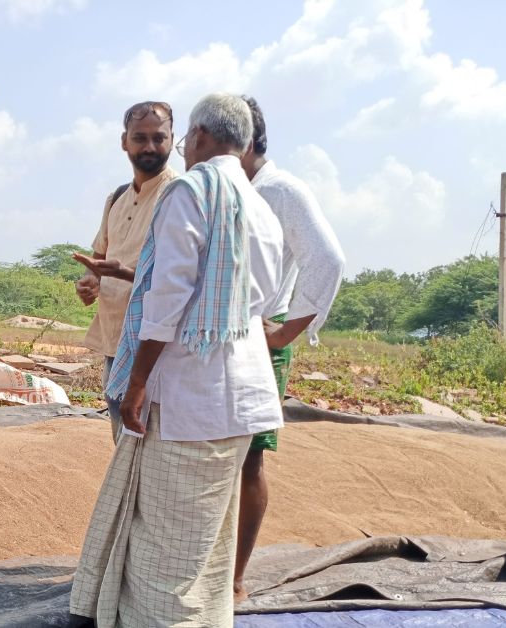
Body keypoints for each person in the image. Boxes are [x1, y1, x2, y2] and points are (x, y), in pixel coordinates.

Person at [68, 93, 285, 627]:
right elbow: (269, 297)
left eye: (178, 138)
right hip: (242, 394)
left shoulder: (191, 191)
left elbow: (168, 297)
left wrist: (137, 381)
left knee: (166, 549)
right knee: (206, 544)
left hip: (190, 395)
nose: (175, 149)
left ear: (202, 138)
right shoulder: (255, 204)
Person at [233, 96, 346, 602]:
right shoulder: (229, 188)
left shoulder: (281, 191)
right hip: (220, 341)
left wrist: (281, 333)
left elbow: (326, 259)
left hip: (258, 340)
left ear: (246, 141)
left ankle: (233, 578)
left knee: (249, 461)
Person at [75, 101, 178, 442]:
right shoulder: (116, 197)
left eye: (158, 138)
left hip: (154, 346)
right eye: (140, 137)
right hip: (113, 341)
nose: (149, 146)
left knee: (150, 447)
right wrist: (92, 282)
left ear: (172, 139)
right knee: (123, 444)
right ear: (124, 142)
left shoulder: (178, 195)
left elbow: (178, 279)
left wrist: (122, 272)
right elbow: (99, 257)